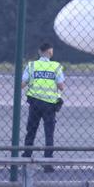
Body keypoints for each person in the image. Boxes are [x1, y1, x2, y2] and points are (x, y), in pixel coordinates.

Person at [21, 42, 65, 171]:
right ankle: (48, 162)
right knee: (49, 133)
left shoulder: (32, 65)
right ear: (50, 52)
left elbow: (22, 84)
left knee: (31, 131)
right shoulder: (56, 66)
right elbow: (61, 86)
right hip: (50, 104)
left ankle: (26, 156)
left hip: (34, 102)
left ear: (39, 52)